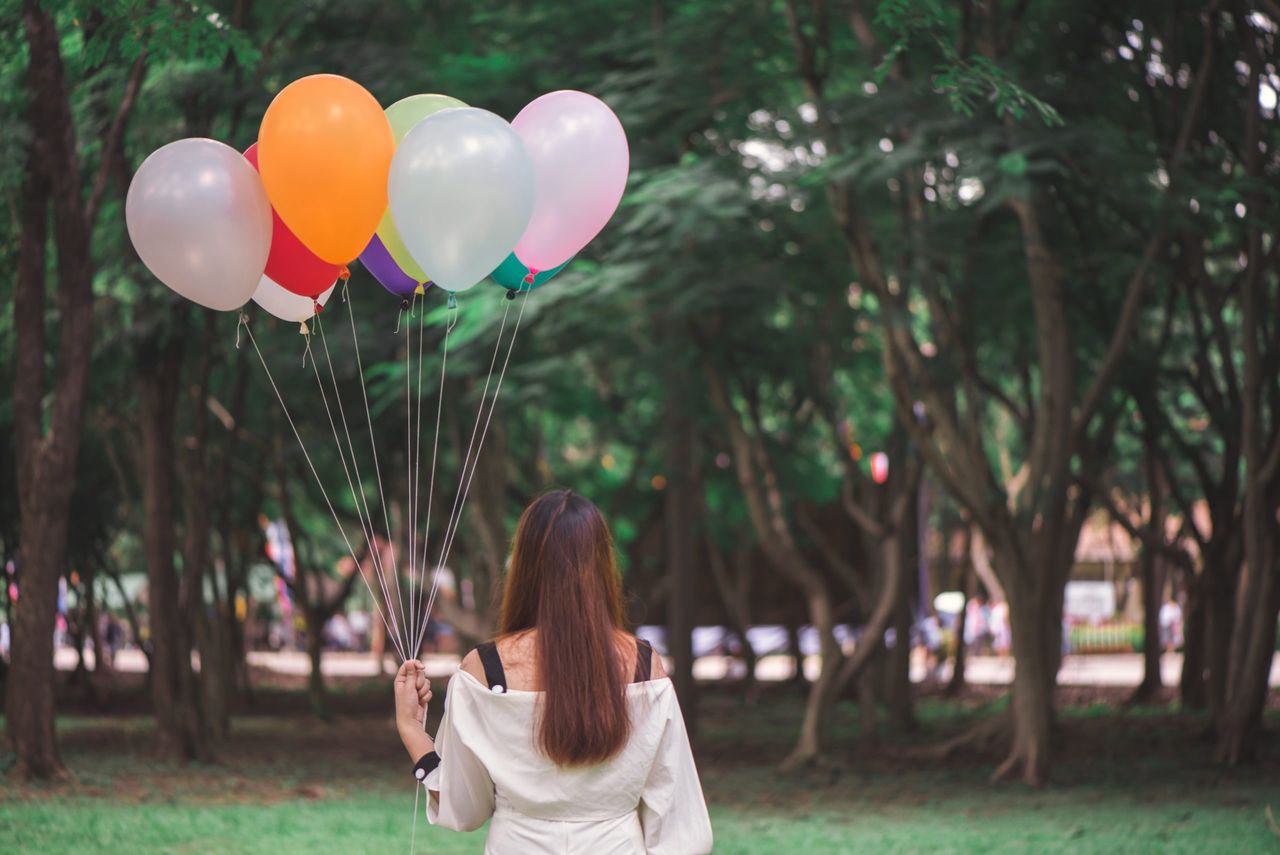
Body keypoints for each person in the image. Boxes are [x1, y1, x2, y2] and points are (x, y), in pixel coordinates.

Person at [393, 490, 713, 854]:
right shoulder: (643, 666)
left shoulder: (484, 670)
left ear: (524, 564)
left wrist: (411, 729)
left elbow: (465, 809)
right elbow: (679, 823)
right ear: (602, 564)